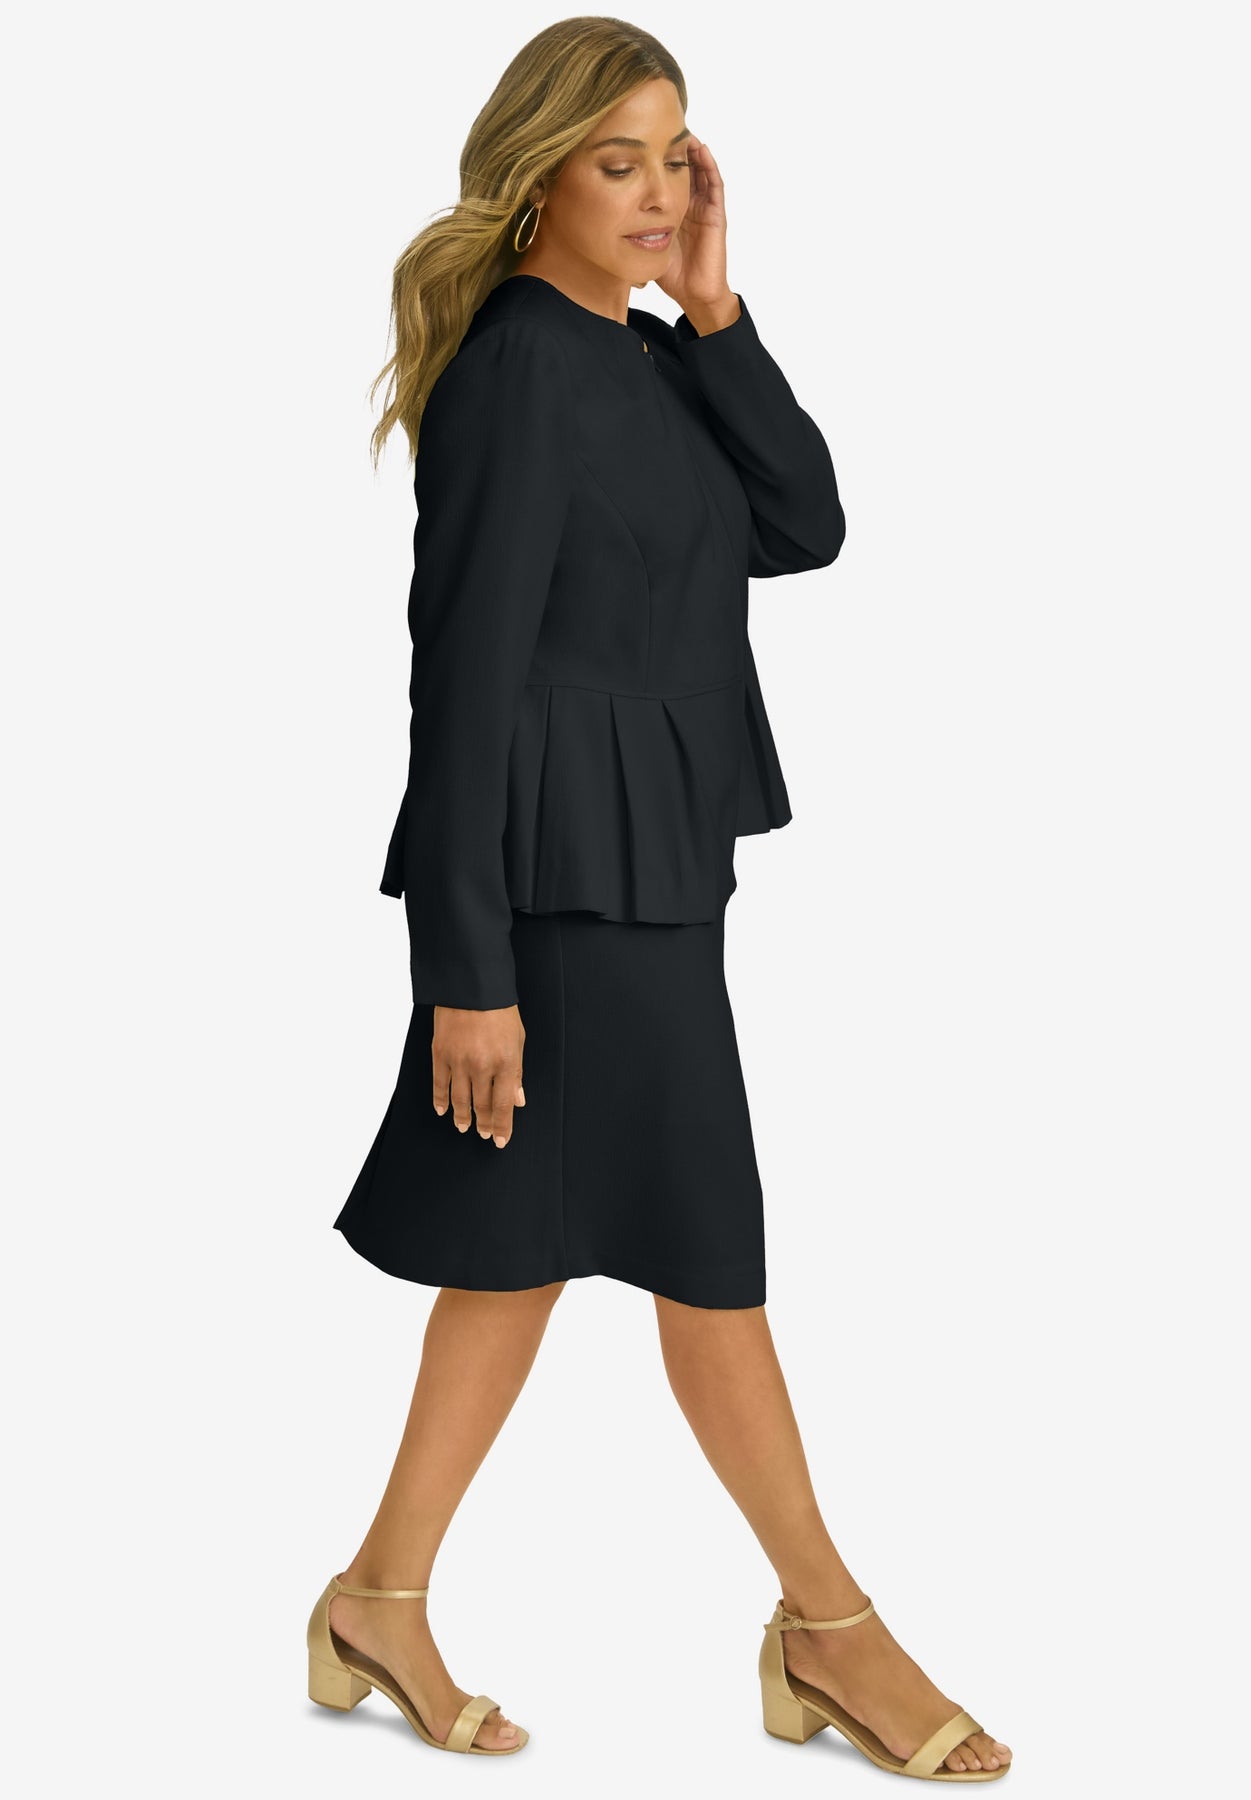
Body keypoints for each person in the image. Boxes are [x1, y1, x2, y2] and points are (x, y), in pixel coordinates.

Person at [307, 15, 1013, 1782]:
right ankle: (830, 1628)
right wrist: (467, 970)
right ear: (536, 177)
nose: (655, 189)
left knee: (520, 1255)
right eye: (616, 161)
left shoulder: (646, 351)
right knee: (706, 1253)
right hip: (559, 894)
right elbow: (461, 681)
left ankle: (376, 1598)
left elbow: (808, 523)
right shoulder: (516, 372)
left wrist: (718, 310)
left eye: (675, 155)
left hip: (657, 867)